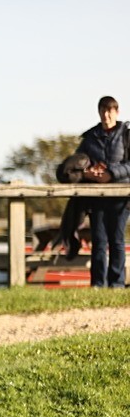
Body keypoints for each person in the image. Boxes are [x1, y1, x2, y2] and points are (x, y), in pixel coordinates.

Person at [76, 96, 130, 287]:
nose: (106, 115)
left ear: (117, 112)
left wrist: (111, 173)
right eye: (103, 111)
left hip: (121, 196)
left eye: (110, 111)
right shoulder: (89, 138)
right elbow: (77, 162)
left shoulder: (126, 135)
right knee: (98, 241)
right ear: (99, 112)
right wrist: (87, 172)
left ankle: (117, 284)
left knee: (117, 240)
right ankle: (98, 285)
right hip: (96, 196)